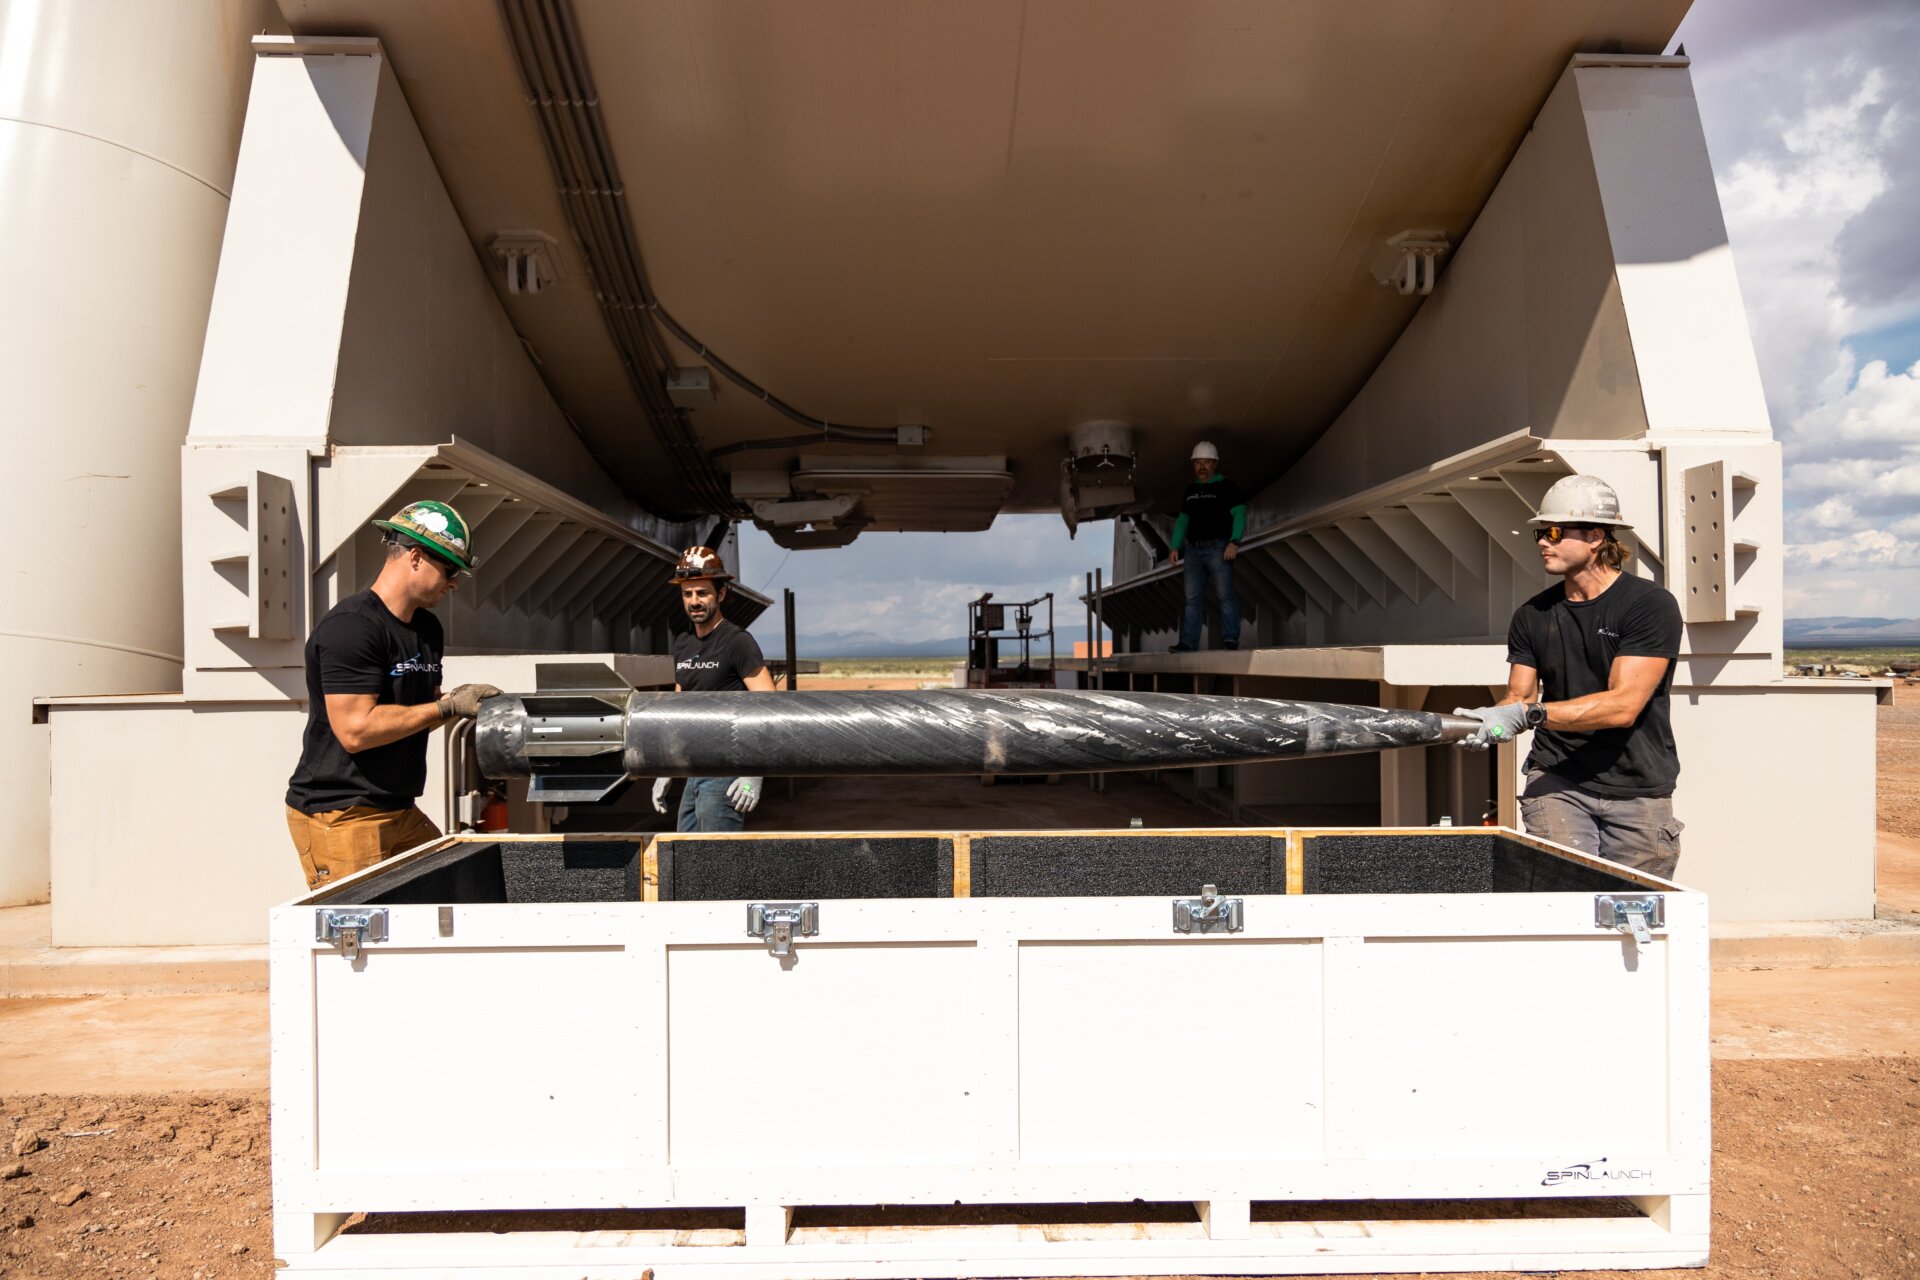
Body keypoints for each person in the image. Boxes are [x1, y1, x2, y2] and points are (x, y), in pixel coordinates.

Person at [1454, 475, 1684, 879]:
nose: (1544, 542)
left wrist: (1530, 715)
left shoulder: (1648, 605)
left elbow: (1623, 706)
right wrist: (1487, 722)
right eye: (1541, 533)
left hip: (1638, 787)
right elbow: (1518, 698)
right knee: (1562, 894)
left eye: (1556, 532)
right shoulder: (1532, 615)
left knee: (1631, 905)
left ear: (1596, 537)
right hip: (1557, 778)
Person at [285, 501, 502, 889]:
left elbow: (417, 716)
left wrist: (457, 706)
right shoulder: (352, 627)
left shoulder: (427, 630)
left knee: (456, 891)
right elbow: (356, 731)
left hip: (398, 808)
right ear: (416, 557)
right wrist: (448, 706)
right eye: (450, 570)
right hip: (343, 812)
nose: (454, 583)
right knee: (363, 925)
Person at [650, 545, 778, 831]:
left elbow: (770, 708)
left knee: (715, 855)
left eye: (702, 593)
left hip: (727, 772)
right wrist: (667, 767)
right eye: (687, 594)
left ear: (721, 594)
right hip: (694, 770)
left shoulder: (738, 642)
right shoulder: (683, 644)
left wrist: (755, 774)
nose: (694, 601)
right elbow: (678, 712)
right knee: (684, 851)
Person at [1167, 441, 1247, 652]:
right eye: (1198, 462)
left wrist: (1234, 541)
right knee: (1192, 599)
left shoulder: (1227, 487)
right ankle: (1188, 643)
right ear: (1193, 465)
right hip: (1193, 551)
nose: (1202, 466)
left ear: (1215, 463)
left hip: (1218, 548)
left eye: (1206, 462)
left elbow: (1239, 514)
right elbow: (1183, 521)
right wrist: (1174, 546)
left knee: (1225, 596)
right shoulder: (1190, 490)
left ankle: (1230, 639)